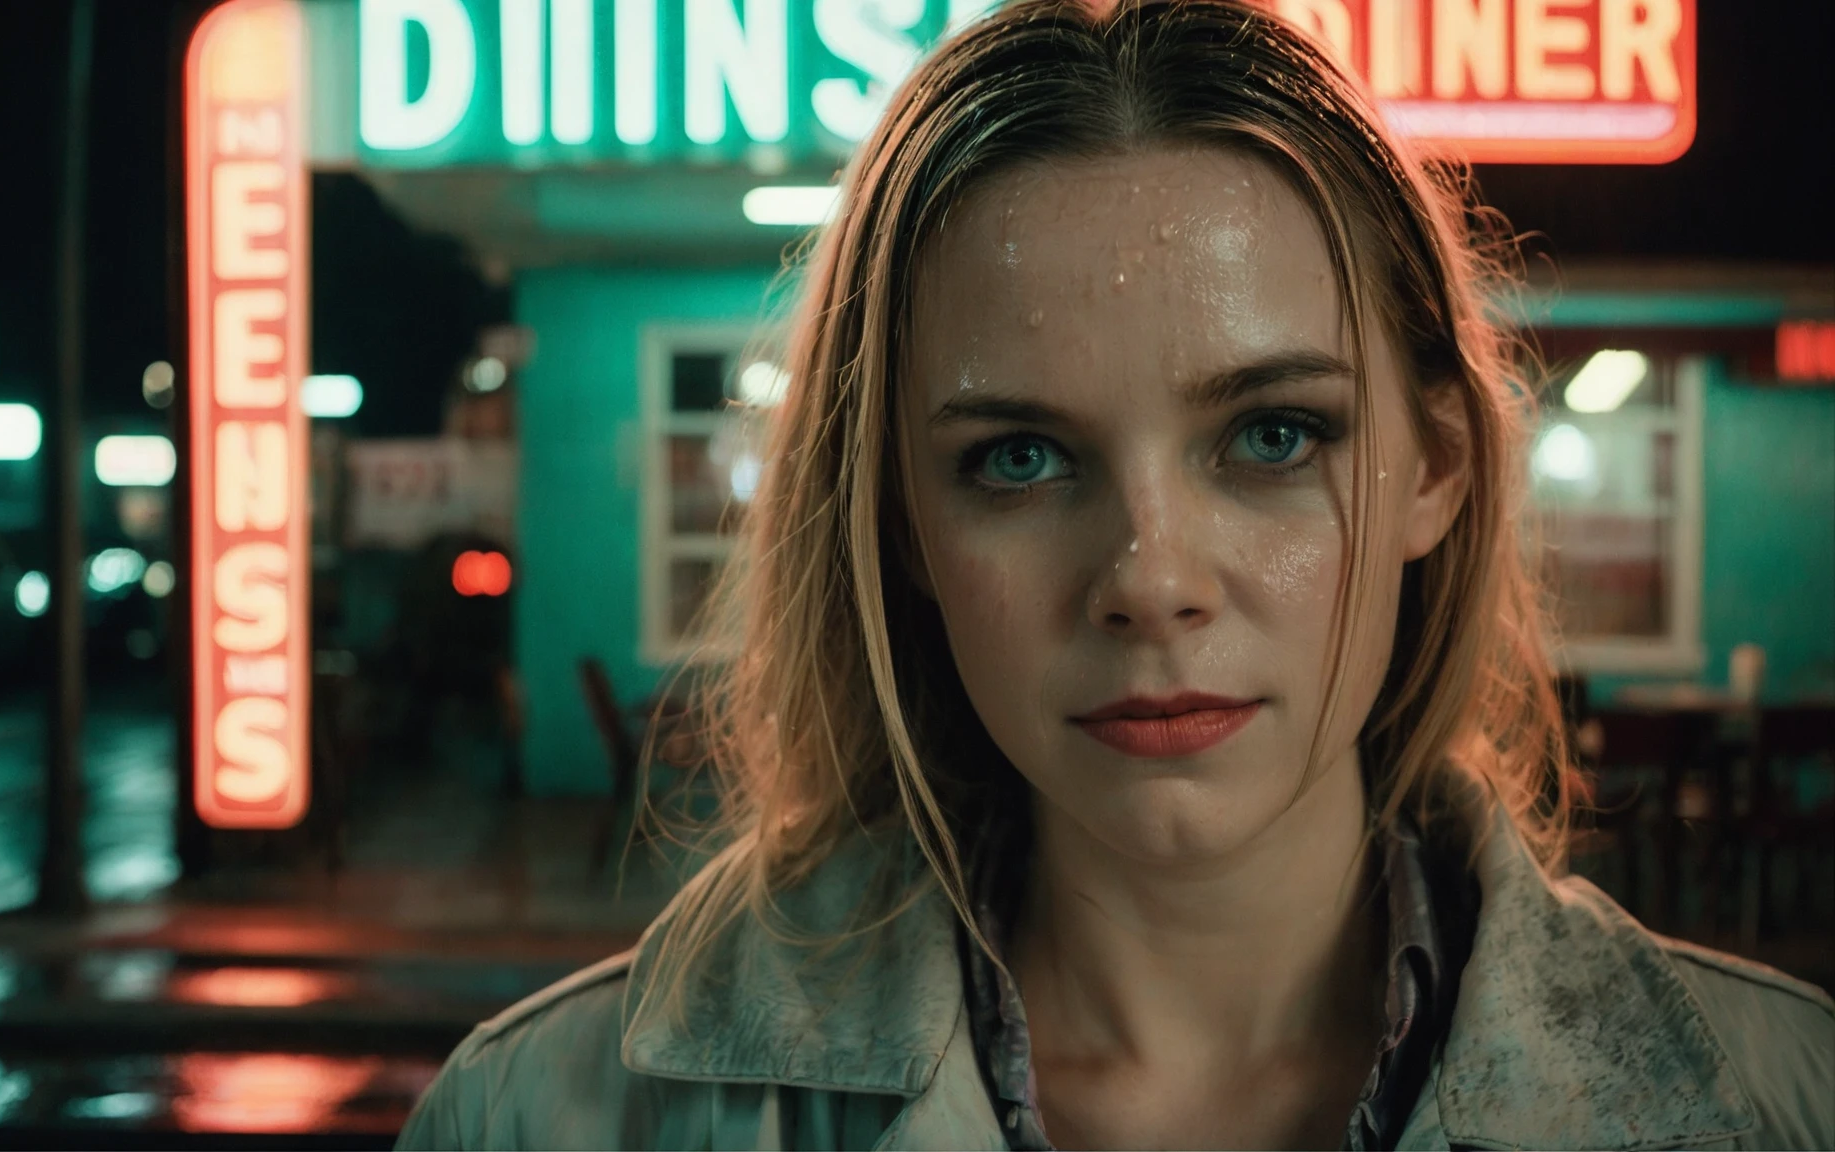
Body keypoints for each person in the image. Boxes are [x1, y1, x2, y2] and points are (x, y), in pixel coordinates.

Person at [398, 1, 1834, 1147]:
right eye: (1018, 459)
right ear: (897, 517)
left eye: (1274, 435)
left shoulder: (1784, 1104)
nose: (1150, 581)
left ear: (1438, 468)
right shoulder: (546, 1119)